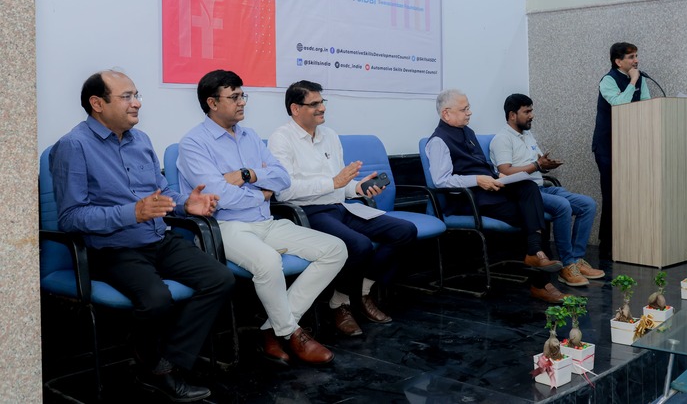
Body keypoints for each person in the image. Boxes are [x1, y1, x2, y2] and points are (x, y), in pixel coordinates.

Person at [49, 70, 235, 403]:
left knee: (220, 278)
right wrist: (132, 213)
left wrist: (185, 204)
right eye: (126, 97)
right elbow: (70, 218)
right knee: (157, 299)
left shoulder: (142, 140)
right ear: (97, 104)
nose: (136, 103)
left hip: (157, 239)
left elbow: (162, 194)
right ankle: (157, 366)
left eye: (137, 95)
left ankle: (163, 362)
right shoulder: (73, 146)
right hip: (113, 249)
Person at [177, 70, 347, 366]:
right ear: (212, 103)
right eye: (234, 97)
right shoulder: (193, 143)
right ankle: (291, 333)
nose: (242, 102)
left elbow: (281, 178)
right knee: (269, 261)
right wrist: (262, 194)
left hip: (265, 222)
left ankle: (273, 328)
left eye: (242, 95)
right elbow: (219, 196)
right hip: (225, 227)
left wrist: (248, 175)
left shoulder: (250, 136)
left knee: (335, 249)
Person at [268, 80, 417, 336]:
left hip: (340, 207)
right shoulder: (281, 139)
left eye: (322, 102)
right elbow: (284, 191)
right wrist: (333, 183)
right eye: (314, 103)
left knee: (404, 231)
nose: (322, 108)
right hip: (307, 213)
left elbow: (341, 184)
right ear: (295, 108)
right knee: (359, 245)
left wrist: (358, 188)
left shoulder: (330, 136)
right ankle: (340, 304)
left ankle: (361, 292)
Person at [425, 89, 566, 303]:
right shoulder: (438, 141)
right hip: (468, 199)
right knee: (532, 215)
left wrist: (496, 175)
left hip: (490, 189)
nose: (470, 112)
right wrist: (477, 180)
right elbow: (441, 181)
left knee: (528, 187)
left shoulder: (467, 132)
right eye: (464, 109)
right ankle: (541, 281)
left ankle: (535, 256)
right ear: (446, 113)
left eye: (468, 108)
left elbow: (480, 164)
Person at [490, 94, 604, 288]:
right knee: (563, 206)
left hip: (542, 187)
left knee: (588, 204)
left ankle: (576, 260)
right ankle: (566, 265)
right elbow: (505, 171)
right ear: (512, 115)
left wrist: (545, 165)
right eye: (527, 111)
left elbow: (536, 162)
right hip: (524, 194)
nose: (532, 115)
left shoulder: (527, 135)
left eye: (531, 110)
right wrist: (536, 165)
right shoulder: (502, 139)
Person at [591, 42, 651, 259]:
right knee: (612, 194)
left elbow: (647, 106)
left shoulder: (641, 79)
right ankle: (607, 243)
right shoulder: (608, 80)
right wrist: (633, 81)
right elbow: (619, 106)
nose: (636, 60)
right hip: (607, 146)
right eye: (631, 57)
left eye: (636, 56)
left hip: (630, 145)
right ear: (618, 61)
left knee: (629, 192)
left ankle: (629, 240)